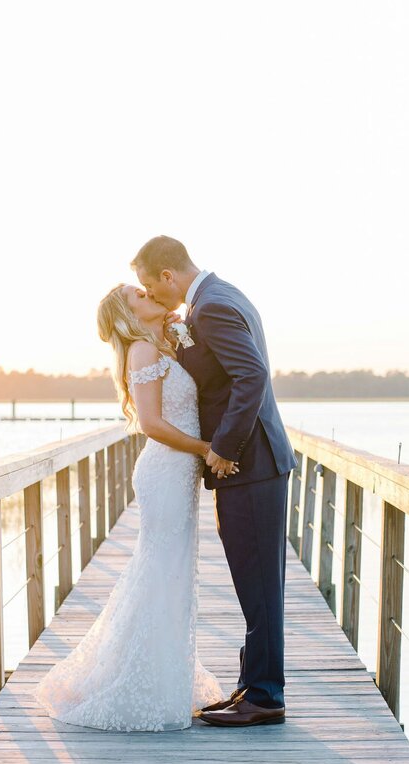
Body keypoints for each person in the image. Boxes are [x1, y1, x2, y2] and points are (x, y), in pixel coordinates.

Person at [31, 282, 225, 731]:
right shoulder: (140, 350)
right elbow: (153, 424)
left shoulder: (162, 343)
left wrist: (177, 332)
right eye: (139, 295)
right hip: (165, 470)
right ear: (127, 314)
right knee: (161, 571)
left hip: (180, 472)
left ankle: (164, 673)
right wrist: (207, 448)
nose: (150, 294)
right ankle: (139, 680)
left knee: (172, 571)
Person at [131, 235, 297, 727]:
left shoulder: (212, 308)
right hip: (255, 465)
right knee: (255, 581)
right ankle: (252, 684)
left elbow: (252, 376)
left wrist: (222, 448)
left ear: (167, 276)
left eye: (148, 285)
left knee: (261, 584)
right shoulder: (220, 295)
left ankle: (265, 696)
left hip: (251, 464)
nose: (153, 295)